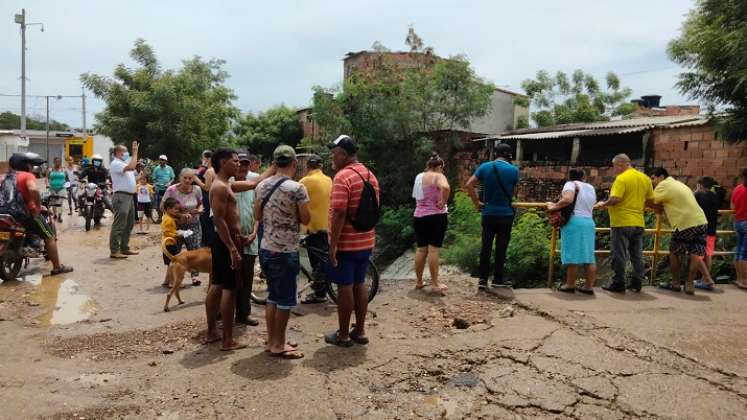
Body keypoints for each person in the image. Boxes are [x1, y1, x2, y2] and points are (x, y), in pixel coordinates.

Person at [205, 148, 273, 351]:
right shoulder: (220, 187)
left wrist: (274, 167)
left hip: (225, 242)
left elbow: (254, 183)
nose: (239, 164)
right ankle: (227, 340)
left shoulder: (227, 184)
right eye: (234, 161)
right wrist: (233, 249)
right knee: (229, 289)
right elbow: (218, 220)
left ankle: (212, 332)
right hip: (227, 243)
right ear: (223, 162)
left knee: (217, 285)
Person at [255, 146, 310, 358]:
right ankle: (278, 345)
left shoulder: (261, 186)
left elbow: (257, 214)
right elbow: (306, 219)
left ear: (274, 163)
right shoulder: (297, 188)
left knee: (272, 296)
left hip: (267, 248)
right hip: (286, 251)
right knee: (285, 300)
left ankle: (273, 340)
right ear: (294, 164)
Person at [325, 135, 379, 347]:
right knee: (359, 284)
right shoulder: (370, 175)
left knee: (344, 286)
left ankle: (344, 335)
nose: (332, 156)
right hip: (366, 241)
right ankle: (361, 330)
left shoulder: (342, 177)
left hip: (346, 243)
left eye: (334, 152)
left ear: (344, 154)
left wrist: (333, 246)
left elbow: (339, 212)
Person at [6, 152, 73, 275]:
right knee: (49, 236)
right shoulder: (27, 175)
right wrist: (36, 207)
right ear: (25, 165)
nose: (32, 167)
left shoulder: (3, 177)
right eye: (31, 165)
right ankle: (57, 267)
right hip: (24, 214)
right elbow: (32, 189)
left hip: (4, 215)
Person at [595, 154, 653, 293]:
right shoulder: (645, 178)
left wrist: (603, 203)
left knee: (619, 254)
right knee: (637, 255)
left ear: (620, 165)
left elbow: (615, 199)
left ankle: (618, 283)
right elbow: (651, 201)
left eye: (614, 166)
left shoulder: (622, 178)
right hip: (638, 221)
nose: (614, 170)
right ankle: (637, 283)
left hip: (622, 222)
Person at [650, 168, 713, 294]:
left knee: (674, 252)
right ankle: (689, 285)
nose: (653, 182)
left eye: (653, 178)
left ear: (661, 176)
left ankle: (676, 283)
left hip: (685, 223)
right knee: (695, 254)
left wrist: (655, 209)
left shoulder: (663, 185)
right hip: (701, 221)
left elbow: (651, 201)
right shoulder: (680, 184)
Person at [465, 143, 519, 290]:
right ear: (509, 155)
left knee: (486, 246)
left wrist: (477, 203)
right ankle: (497, 279)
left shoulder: (484, 167)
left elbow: (469, 184)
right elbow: (513, 194)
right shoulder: (513, 170)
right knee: (501, 247)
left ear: (496, 154)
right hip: (506, 214)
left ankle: (482, 279)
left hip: (488, 213)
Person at [546, 168, 597, 294]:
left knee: (572, 254)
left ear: (570, 176)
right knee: (589, 256)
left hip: (574, 222)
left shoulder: (570, 184)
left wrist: (554, 206)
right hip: (589, 222)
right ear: (584, 177)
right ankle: (589, 287)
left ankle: (570, 285)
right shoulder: (590, 187)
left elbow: (568, 199)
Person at [412, 152, 450, 294]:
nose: (443, 171)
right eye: (442, 168)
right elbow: (445, 188)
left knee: (421, 249)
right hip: (436, 216)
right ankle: (435, 284)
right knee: (433, 249)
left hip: (419, 216)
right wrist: (443, 201)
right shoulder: (438, 176)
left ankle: (419, 282)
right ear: (439, 166)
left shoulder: (419, 177)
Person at [298, 154, 333, 304]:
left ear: (307, 166)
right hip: (328, 225)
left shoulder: (305, 181)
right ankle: (321, 289)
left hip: (312, 227)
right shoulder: (329, 179)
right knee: (322, 257)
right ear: (321, 166)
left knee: (316, 261)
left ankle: (319, 293)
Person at [163, 168, 203, 285]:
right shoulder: (172, 190)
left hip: (194, 225)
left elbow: (200, 204)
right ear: (180, 178)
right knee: (175, 253)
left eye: (190, 178)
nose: (187, 180)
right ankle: (170, 278)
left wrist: (199, 210)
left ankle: (194, 277)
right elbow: (163, 207)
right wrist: (179, 215)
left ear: (193, 179)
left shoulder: (197, 189)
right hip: (176, 226)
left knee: (194, 251)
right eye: (184, 178)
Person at [233, 153, 260, 326]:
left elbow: (258, 214)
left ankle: (244, 313)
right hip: (232, 241)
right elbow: (217, 217)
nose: (242, 168)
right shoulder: (227, 185)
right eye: (240, 165)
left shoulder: (254, 187)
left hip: (250, 240)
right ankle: (226, 312)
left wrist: (253, 233)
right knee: (231, 279)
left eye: (245, 165)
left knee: (247, 278)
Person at [109, 142, 139, 259]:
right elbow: (131, 167)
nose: (127, 153)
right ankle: (114, 250)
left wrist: (141, 176)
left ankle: (124, 248)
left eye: (128, 151)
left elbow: (131, 179)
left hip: (129, 197)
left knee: (129, 224)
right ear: (117, 152)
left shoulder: (123, 164)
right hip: (121, 197)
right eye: (125, 151)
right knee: (119, 224)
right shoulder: (116, 163)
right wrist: (135, 152)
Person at [694, 176, 721, 289]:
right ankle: (704, 280)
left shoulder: (698, 195)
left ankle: (706, 279)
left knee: (697, 255)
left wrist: (695, 191)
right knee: (708, 254)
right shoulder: (715, 196)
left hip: (700, 229)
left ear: (700, 185)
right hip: (712, 230)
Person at [195, 150, 216, 247]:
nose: (202, 160)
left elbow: (207, 187)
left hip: (207, 198)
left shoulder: (209, 171)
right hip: (214, 198)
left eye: (203, 158)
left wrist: (196, 180)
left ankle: (207, 244)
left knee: (206, 221)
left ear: (208, 159)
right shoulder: (217, 169)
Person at [160, 197, 181, 287]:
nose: (177, 211)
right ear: (168, 209)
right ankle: (172, 282)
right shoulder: (168, 219)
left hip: (167, 243)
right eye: (175, 209)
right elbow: (166, 232)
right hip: (170, 244)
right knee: (173, 263)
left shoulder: (166, 217)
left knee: (170, 263)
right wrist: (176, 235)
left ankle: (166, 280)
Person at [731, 168, 747, 289]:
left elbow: (732, 207)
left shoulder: (737, 189)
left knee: (738, 251)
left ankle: (739, 278)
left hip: (738, 221)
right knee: (745, 253)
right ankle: (745, 280)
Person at [47, 157, 67, 222]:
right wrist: (47, 185)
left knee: (59, 202)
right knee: (54, 203)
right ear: (54, 162)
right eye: (56, 162)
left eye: (59, 162)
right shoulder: (50, 170)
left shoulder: (63, 170)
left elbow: (67, 179)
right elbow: (46, 178)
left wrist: (67, 185)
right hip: (52, 188)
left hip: (61, 188)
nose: (58, 163)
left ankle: (60, 216)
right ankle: (55, 214)